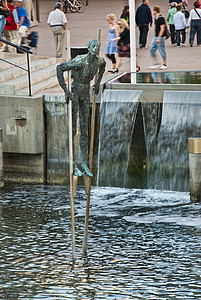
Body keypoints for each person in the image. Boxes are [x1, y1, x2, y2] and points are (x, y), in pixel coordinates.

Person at [57, 40, 106, 177]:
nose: (95, 49)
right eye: (93, 46)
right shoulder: (80, 61)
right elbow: (59, 68)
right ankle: (73, 163)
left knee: (84, 129)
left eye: (97, 47)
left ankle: (84, 162)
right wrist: (66, 90)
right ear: (88, 48)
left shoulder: (98, 61)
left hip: (86, 93)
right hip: (75, 92)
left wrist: (97, 83)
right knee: (73, 129)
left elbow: (104, 66)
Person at [149, 5, 167, 70]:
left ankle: (165, 64)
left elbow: (162, 29)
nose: (152, 12)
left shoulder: (161, 18)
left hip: (160, 37)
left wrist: (159, 37)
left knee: (162, 50)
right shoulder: (155, 18)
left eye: (153, 11)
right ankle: (156, 63)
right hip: (156, 36)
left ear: (155, 11)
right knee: (152, 49)